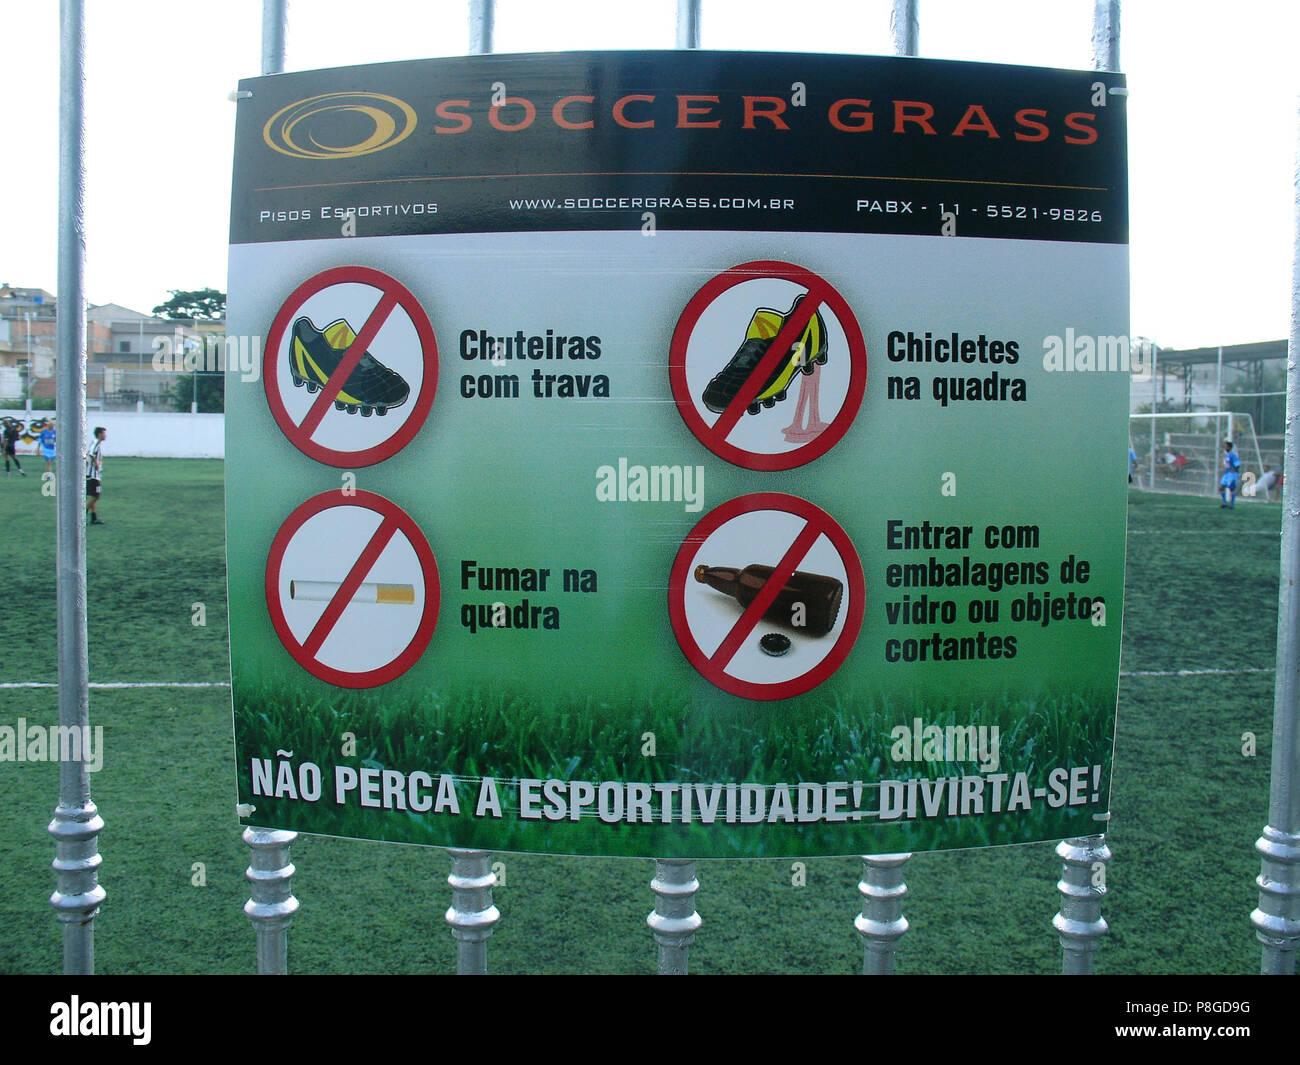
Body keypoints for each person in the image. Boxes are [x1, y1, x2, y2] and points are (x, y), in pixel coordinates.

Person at [85, 426, 106, 525]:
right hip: (92, 475)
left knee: (94, 495)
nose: (106, 435)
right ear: (99, 434)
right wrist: (96, 463)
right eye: (104, 433)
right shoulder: (96, 442)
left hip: (95, 474)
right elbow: (91, 453)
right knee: (96, 496)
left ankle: (94, 518)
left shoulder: (97, 443)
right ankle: (82, 514)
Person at [1220, 439, 1241, 508]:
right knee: (1221, 487)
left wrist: (1234, 470)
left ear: (1229, 447)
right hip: (1227, 474)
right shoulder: (1227, 455)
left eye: (1226, 446)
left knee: (1231, 488)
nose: (1225, 448)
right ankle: (1224, 502)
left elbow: (1238, 464)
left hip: (1232, 474)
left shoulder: (1233, 455)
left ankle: (1232, 504)